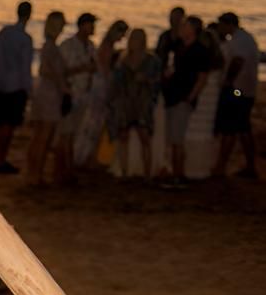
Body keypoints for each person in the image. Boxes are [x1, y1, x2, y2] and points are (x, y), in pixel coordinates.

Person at [212, 12, 260, 178]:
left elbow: (238, 61)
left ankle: (222, 166)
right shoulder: (243, 39)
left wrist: (228, 81)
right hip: (244, 89)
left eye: (221, 25)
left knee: (231, 128)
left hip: (238, 90)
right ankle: (249, 166)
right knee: (241, 127)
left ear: (228, 24)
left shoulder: (240, 40)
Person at [162, 15, 210, 183]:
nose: (181, 29)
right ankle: (175, 173)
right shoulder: (179, 47)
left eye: (185, 26)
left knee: (177, 139)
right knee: (173, 139)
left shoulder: (200, 50)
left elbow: (202, 78)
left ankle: (178, 175)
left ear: (193, 29)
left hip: (183, 98)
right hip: (172, 96)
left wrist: (190, 98)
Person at [109, 28, 162, 178]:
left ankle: (147, 173)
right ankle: (124, 172)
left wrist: (146, 80)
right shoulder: (122, 59)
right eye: (132, 39)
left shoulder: (152, 61)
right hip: (125, 102)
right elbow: (115, 83)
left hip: (142, 102)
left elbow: (159, 81)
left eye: (137, 39)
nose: (133, 42)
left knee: (144, 136)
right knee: (123, 136)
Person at [75, 18, 129, 166]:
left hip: (100, 87)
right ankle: (84, 157)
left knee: (95, 124)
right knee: (93, 124)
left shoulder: (107, 46)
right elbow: (104, 71)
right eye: (121, 34)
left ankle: (88, 156)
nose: (122, 38)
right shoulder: (107, 47)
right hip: (101, 88)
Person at [26, 11, 69, 185]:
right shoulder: (51, 47)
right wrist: (62, 85)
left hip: (45, 92)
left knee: (39, 136)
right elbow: (45, 70)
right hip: (49, 94)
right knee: (43, 136)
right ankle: (36, 174)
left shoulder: (50, 46)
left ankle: (33, 173)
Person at [0, 0, 35, 175]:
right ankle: (1, 160)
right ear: (29, 15)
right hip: (16, 87)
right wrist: (29, 89)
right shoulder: (25, 39)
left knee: (1, 123)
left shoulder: (4, 32)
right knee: (8, 125)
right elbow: (26, 68)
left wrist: (3, 72)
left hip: (1, 83)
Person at [57, 12, 98, 177]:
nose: (93, 27)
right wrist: (83, 68)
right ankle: (63, 169)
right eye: (91, 24)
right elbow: (60, 71)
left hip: (84, 94)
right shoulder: (67, 45)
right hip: (70, 94)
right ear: (82, 26)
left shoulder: (91, 46)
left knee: (74, 133)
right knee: (65, 133)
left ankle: (69, 167)